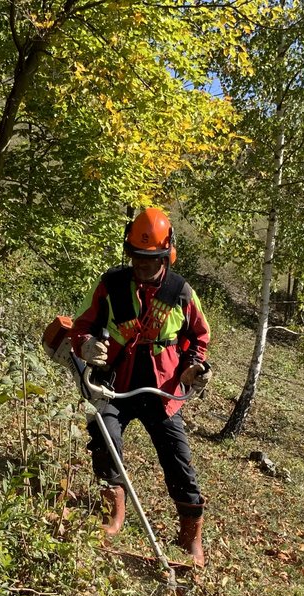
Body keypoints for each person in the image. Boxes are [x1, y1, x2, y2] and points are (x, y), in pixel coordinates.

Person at [69, 207, 213, 567]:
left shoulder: (180, 292)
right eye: (137, 257)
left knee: (178, 459)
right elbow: (82, 325)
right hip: (114, 383)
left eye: (151, 259)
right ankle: (112, 514)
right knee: (104, 440)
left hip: (161, 391)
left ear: (167, 255)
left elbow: (199, 336)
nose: (142, 266)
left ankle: (189, 535)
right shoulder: (112, 284)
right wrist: (86, 345)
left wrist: (195, 366)